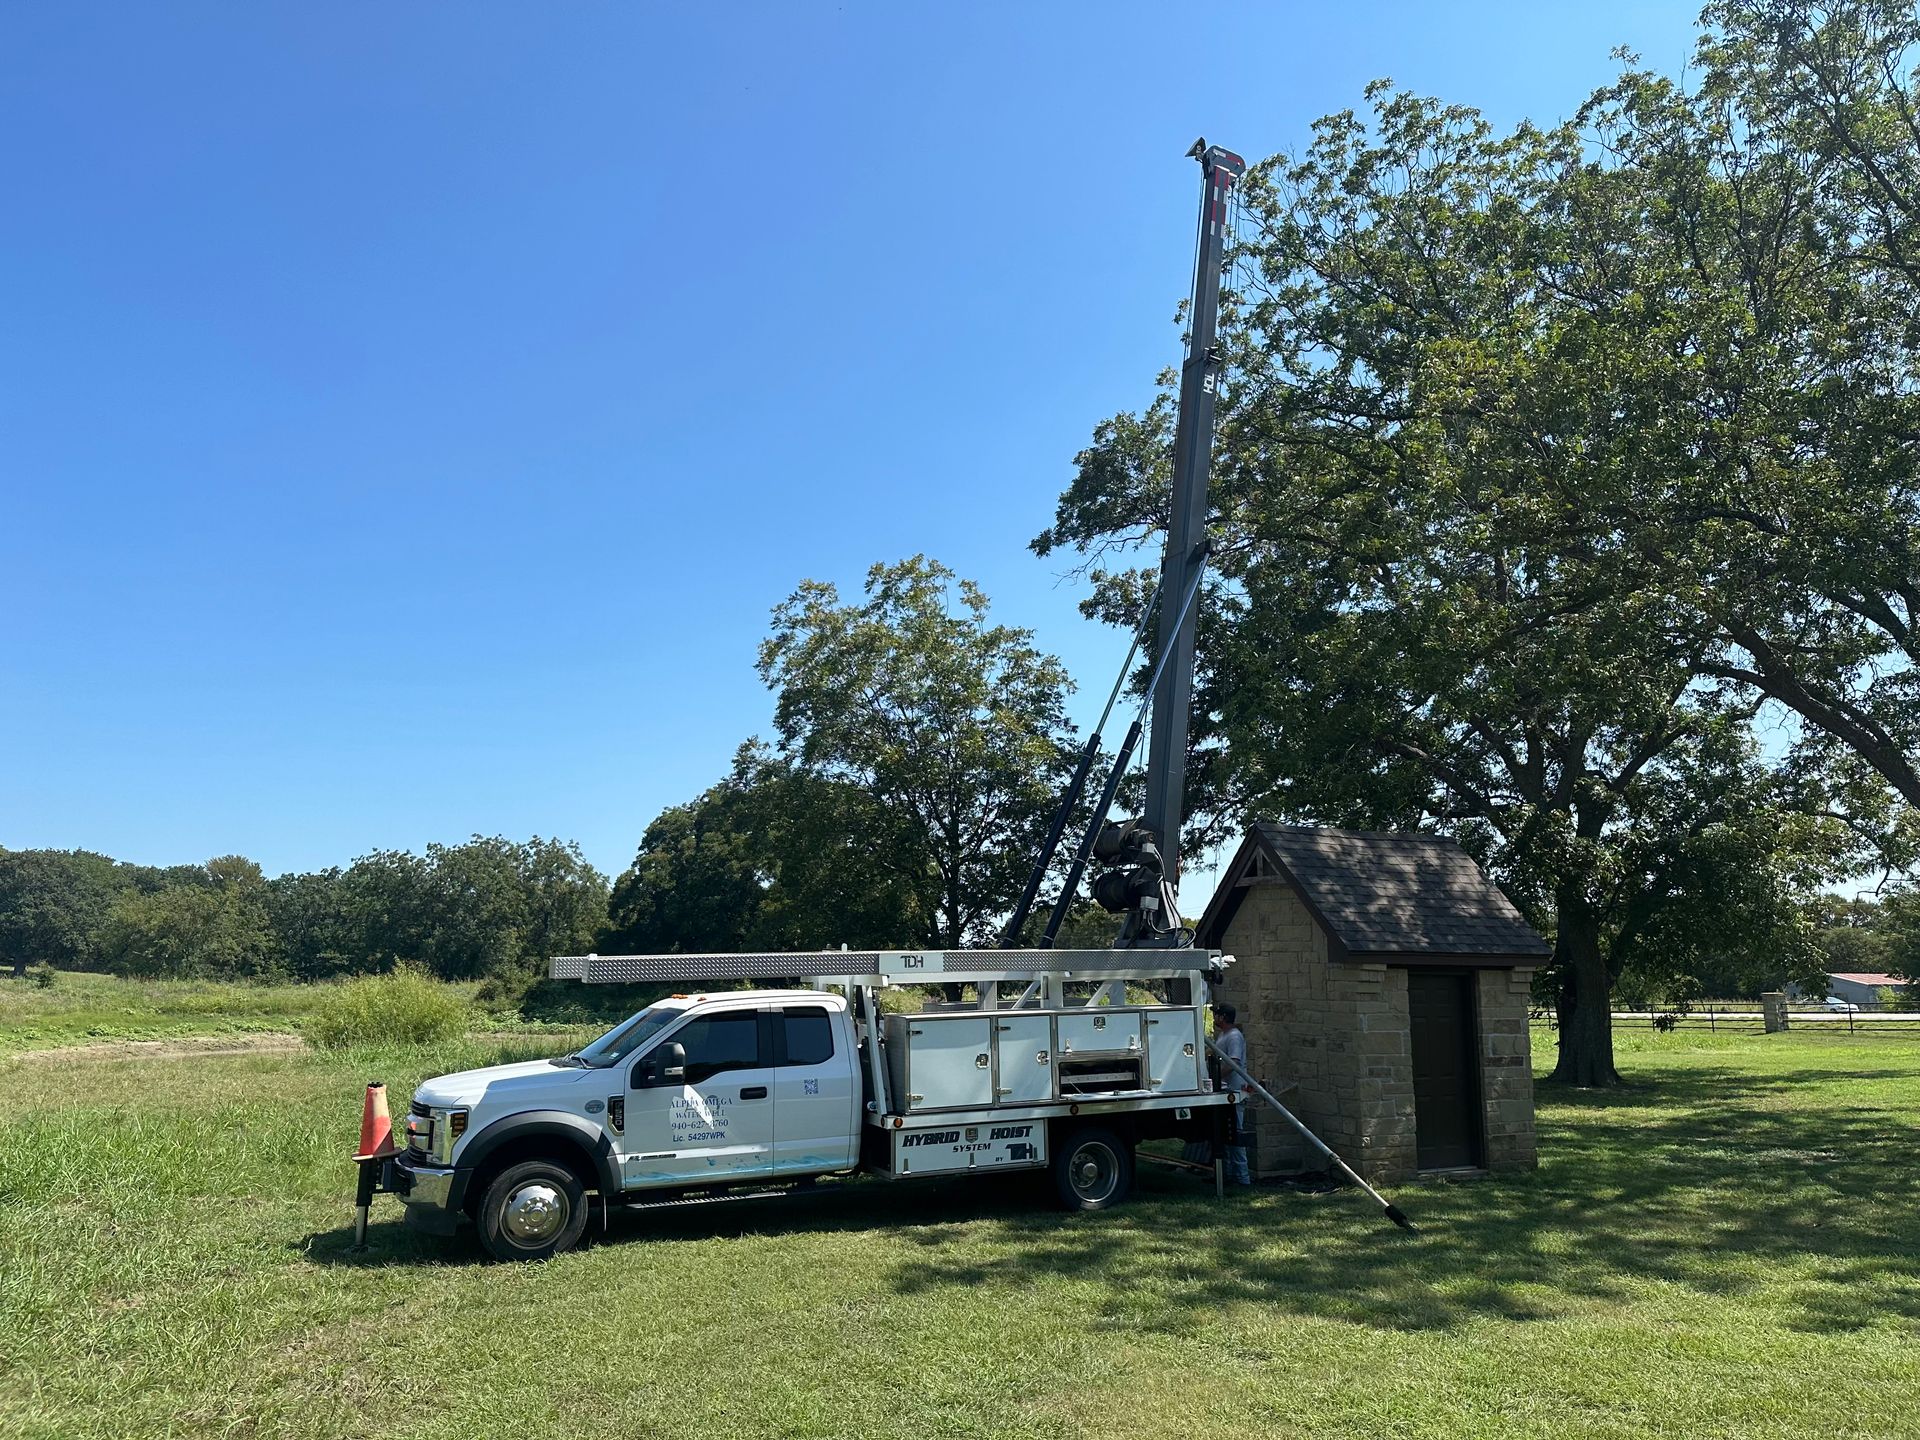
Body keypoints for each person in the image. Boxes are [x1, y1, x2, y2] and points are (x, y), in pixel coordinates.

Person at [1212, 1003, 1252, 1186]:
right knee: (1225, 1134)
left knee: (1235, 1134)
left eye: (1217, 1015)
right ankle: (1227, 1175)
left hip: (1235, 1091)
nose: (1214, 1017)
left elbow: (1233, 1063)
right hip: (1225, 1090)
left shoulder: (1234, 1036)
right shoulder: (1223, 1035)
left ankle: (1242, 1178)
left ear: (1223, 1017)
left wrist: (1216, 1076)